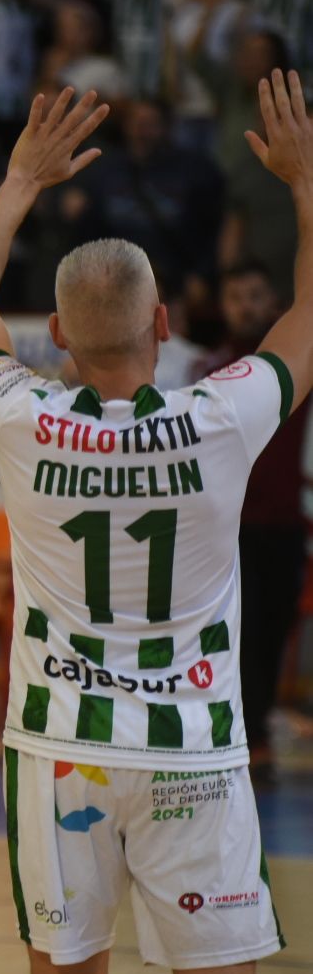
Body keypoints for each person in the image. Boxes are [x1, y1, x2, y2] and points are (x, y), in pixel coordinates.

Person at [0, 80, 298, 974]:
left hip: (62, 747)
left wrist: (20, 179)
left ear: (56, 336)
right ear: (166, 327)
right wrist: (304, 184)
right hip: (193, 753)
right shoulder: (221, 418)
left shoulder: (22, 419)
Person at [196, 261, 309, 786]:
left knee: (271, 632)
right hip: (226, 532)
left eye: (255, 295)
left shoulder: (289, 370)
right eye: (236, 296)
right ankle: (237, 738)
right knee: (232, 637)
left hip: (284, 527)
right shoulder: (208, 369)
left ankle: (256, 731)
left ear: (274, 305)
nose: (245, 305)